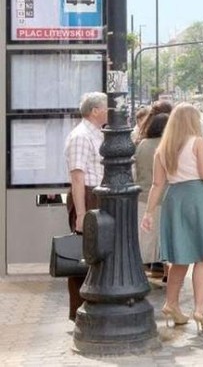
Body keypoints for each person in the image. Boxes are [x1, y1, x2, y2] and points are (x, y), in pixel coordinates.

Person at [141, 103, 203, 333]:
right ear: (192, 122)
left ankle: (171, 303)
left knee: (180, 257)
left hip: (174, 200)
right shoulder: (198, 143)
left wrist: (148, 213)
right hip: (197, 198)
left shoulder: (162, 149)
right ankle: (200, 310)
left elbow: (157, 184)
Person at [63, 91, 108, 321]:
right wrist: (80, 214)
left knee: (94, 251)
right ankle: (79, 309)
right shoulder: (81, 136)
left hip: (95, 195)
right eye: (106, 107)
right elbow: (77, 177)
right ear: (95, 111)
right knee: (83, 253)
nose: (109, 111)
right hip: (87, 196)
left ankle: (90, 305)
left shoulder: (96, 134)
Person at [135, 113, 170, 280]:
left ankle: (141, 274)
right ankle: (167, 273)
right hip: (165, 197)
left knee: (146, 240)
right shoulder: (168, 146)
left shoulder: (142, 144)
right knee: (165, 239)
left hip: (143, 197)